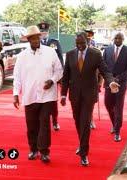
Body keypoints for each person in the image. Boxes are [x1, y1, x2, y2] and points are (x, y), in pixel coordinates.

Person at [60, 32, 119, 166]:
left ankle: (83, 153)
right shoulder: (70, 55)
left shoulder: (95, 54)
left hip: (89, 95)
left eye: (82, 43)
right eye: (77, 43)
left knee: (85, 122)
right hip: (74, 95)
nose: (80, 46)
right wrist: (63, 94)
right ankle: (82, 143)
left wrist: (110, 82)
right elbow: (65, 76)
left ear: (87, 41)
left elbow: (105, 71)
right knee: (77, 121)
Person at [13, 26, 63, 163]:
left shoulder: (50, 52)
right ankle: (33, 149)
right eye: (32, 38)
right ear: (28, 40)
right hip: (29, 96)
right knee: (32, 125)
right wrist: (15, 94)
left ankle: (44, 151)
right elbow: (17, 77)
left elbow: (59, 71)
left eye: (37, 37)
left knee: (45, 123)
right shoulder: (22, 56)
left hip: (47, 95)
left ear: (40, 37)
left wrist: (52, 81)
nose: (35, 40)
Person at [103, 32, 127, 142]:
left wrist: (117, 79)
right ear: (113, 39)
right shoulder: (107, 50)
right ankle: (114, 123)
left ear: (123, 39)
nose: (117, 40)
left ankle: (117, 131)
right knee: (108, 104)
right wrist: (110, 79)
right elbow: (104, 66)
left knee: (118, 107)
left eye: (119, 38)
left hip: (121, 83)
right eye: (115, 38)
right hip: (109, 82)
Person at [37, 21, 64, 131]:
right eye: (42, 31)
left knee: (52, 100)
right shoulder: (36, 42)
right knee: (38, 99)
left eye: (45, 31)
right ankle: (41, 121)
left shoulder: (55, 42)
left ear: (48, 31)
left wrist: (60, 76)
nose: (44, 33)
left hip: (52, 76)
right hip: (38, 75)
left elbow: (60, 59)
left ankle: (55, 121)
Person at [84, 29, 102, 129]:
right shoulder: (76, 51)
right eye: (86, 39)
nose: (88, 41)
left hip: (93, 82)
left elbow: (101, 69)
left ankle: (90, 119)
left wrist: (100, 83)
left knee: (91, 103)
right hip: (81, 82)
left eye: (89, 39)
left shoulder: (96, 52)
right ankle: (87, 119)